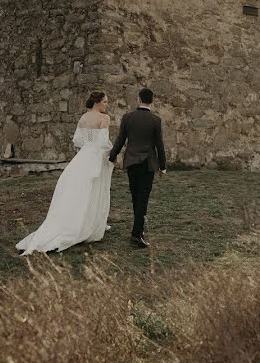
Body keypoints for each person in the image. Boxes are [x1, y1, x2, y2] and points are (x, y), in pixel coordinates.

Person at [16, 91, 113, 255]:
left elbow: (78, 140)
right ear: (97, 102)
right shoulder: (104, 118)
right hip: (96, 156)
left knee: (79, 190)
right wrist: (110, 155)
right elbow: (103, 142)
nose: (106, 105)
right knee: (94, 190)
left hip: (83, 156)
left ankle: (75, 221)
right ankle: (89, 224)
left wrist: (89, 146)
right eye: (105, 101)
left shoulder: (83, 117)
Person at [109, 88, 166, 248]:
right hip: (148, 164)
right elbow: (159, 145)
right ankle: (136, 234)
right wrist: (163, 167)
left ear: (139, 99)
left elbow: (120, 140)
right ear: (152, 100)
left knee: (136, 196)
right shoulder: (156, 120)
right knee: (143, 197)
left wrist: (112, 157)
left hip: (132, 162)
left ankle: (138, 229)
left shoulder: (127, 118)